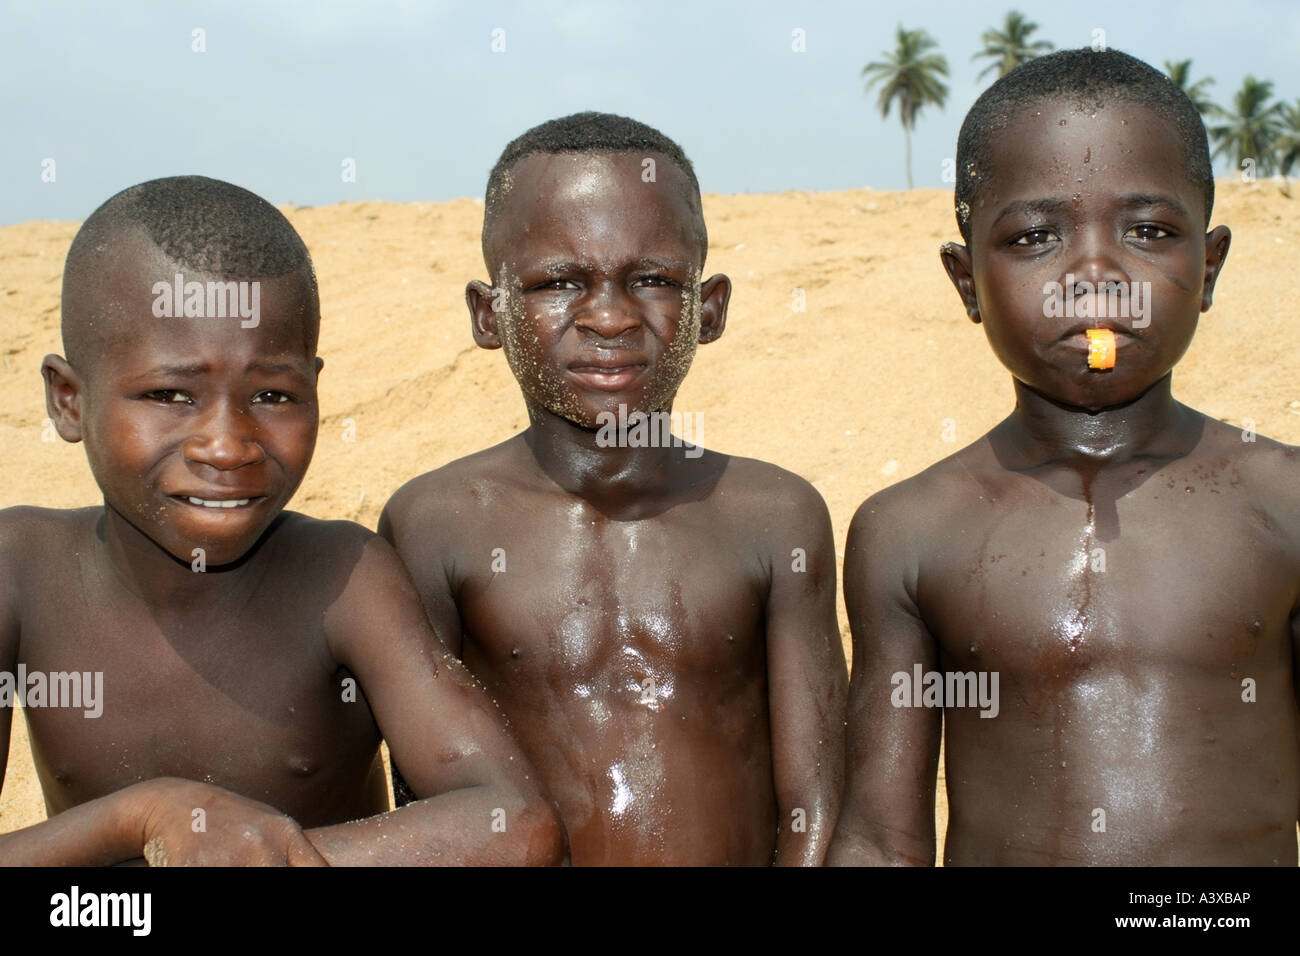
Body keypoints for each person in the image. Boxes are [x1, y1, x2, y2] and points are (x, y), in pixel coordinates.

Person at [0, 176, 563, 865]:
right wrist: (141, 817)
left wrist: (265, 855)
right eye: (170, 394)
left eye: (272, 394)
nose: (227, 446)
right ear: (67, 399)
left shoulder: (343, 577)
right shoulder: (21, 570)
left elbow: (515, 822)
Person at [830, 49, 1298, 865]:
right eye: (1035, 236)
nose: (1093, 275)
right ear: (966, 281)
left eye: (1148, 231)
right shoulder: (909, 532)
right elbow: (877, 837)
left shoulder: (1285, 502)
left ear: (1210, 266)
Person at [381, 113, 847, 865]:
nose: (609, 317)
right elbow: (435, 810)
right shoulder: (435, 523)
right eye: (559, 282)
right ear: (488, 313)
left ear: (711, 307)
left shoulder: (775, 517)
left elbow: (816, 803)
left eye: (655, 280)